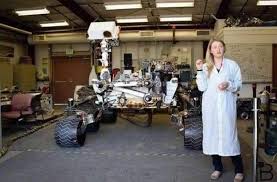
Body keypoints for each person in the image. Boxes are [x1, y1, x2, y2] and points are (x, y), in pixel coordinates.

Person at [195, 39, 244, 182]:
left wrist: (228, 84)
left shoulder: (232, 65)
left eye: (220, 46)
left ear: (224, 49)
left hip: (226, 107)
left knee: (231, 137)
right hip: (211, 108)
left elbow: (238, 84)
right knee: (212, 137)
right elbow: (202, 87)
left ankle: (239, 170)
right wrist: (199, 70)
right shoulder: (205, 67)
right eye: (214, 47)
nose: (218, 49)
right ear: (210, 50)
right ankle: (217, 168)